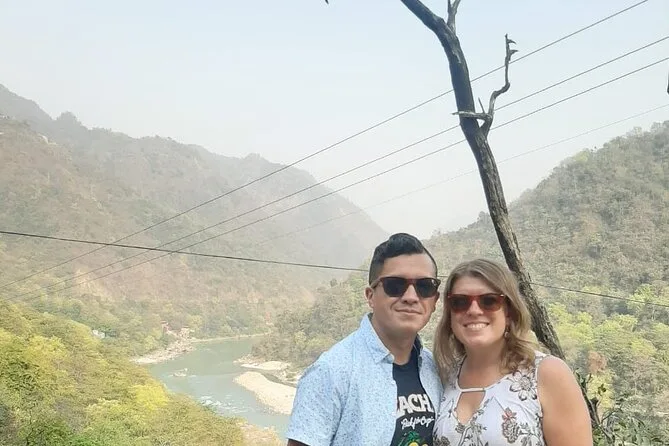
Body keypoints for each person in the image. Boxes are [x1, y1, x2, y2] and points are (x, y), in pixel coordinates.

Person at [286, 233, 444, 446]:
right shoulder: (332, 372)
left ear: (435, 300)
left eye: (424, 286)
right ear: (370, 296)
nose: (411, 297)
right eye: (395, 285)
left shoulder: (434, 368)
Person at [431, 258, 593, 446]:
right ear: (450, 313)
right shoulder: (444, 376)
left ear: (509, 312)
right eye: (460, 302)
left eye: (489, 301)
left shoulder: (546, 373)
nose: (474, 310)